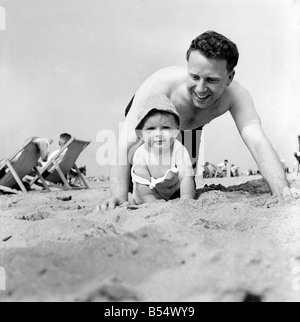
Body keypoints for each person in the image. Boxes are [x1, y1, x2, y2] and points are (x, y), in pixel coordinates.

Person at [101, 30, 299, 211]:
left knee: (182, 186)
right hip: (152, 120)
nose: (201, 89)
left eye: (211, 80)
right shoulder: (160, 84)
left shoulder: (237, 95)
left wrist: (282, 190)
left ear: (229, 77)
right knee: (138, 182)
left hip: (191, 128)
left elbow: (257, 141)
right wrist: (117, 197)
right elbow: (123, 144)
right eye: (194, 77)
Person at [129, 94, 195, 204]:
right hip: (146, 193)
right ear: (140, 133)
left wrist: (186, 199)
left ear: (176, 130)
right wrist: (151, 202)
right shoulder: (141, 154)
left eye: (165, 128)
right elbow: (142, 184)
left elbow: (186, 176)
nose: (158, 134)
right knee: (134, 200)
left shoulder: (179, 149)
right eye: (150, 129)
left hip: (171, 191)